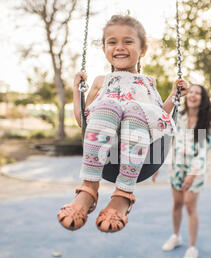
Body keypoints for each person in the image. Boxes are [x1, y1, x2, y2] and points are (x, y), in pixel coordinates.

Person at [57, 15, 189, 233]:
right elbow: (84, 121)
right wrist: (76, 91)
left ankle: (123, 193)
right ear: (104, 48)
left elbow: (159, 119)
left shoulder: (148, 82)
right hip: (105, 143)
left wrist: (173, 96)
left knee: (136, 110)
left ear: (143, 49)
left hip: (141, 144)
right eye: (112, 42)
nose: (119, 47)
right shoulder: (101, 81)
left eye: (128, 42)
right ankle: (89, 187)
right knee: (109, 105)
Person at [152, 84, 211, 258]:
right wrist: (156, 165)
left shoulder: (205, 123)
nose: (193, 95)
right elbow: (167, 138)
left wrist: (192, 174)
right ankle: (176, 236)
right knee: (177, 203)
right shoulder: (179, 116)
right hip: (177, 165)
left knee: (189, 205)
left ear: (203, 99)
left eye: (198, 93)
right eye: (191, 92)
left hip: (195, 168)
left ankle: (192, 247)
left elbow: (202, 152)